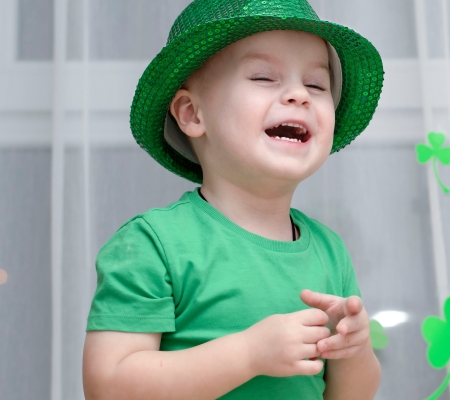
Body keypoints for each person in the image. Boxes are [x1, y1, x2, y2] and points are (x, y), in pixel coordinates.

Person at [81, 0, 384, 398]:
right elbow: (109, 387)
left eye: (316, 84)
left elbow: (350, 396)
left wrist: (354, 349)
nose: (299, 95)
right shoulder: (153, 243)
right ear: (191, 113)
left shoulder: (330, 252)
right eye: (263, 77)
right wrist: (248, 354)